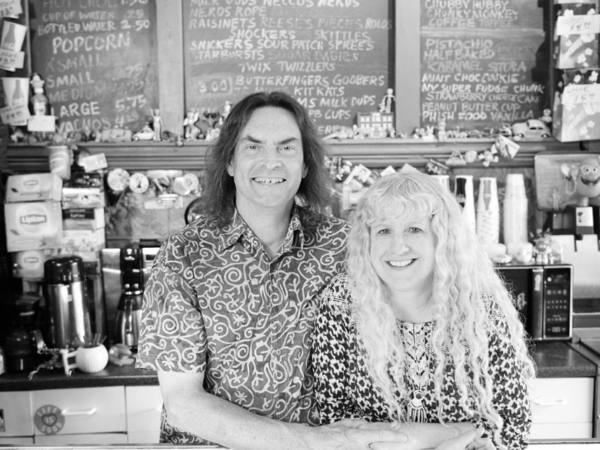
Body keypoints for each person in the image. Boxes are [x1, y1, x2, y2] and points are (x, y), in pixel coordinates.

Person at [136, 91, 487, 450]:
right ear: (229, 161)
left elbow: (418, 326)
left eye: (287, 148)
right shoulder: (183, 255)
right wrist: (311, 441)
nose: (271, 162)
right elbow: (182, 404)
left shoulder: (345, 244)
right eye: (253, 147)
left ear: (305, 166)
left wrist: (454, 430)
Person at [312, 171, 536, 450]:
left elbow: (511, 431)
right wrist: (451, 435)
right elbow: (337, 428)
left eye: (414, 229)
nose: (398, 246)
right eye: (383, 230)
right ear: (366, 239)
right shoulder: (343, 302)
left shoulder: (480, 309)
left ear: (442, 237)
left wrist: (397, 438)